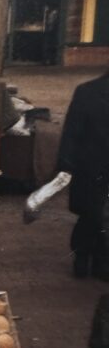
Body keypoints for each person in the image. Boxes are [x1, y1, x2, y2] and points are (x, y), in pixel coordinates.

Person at [55, 70, 109, 279]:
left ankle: (85, 258)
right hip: (94, 167)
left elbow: (71, 131)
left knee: (92, 214)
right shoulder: (87, 92)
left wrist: (65, 164)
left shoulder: (86, 91)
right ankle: (95, 261)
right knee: (97, 216)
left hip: (89, 167)